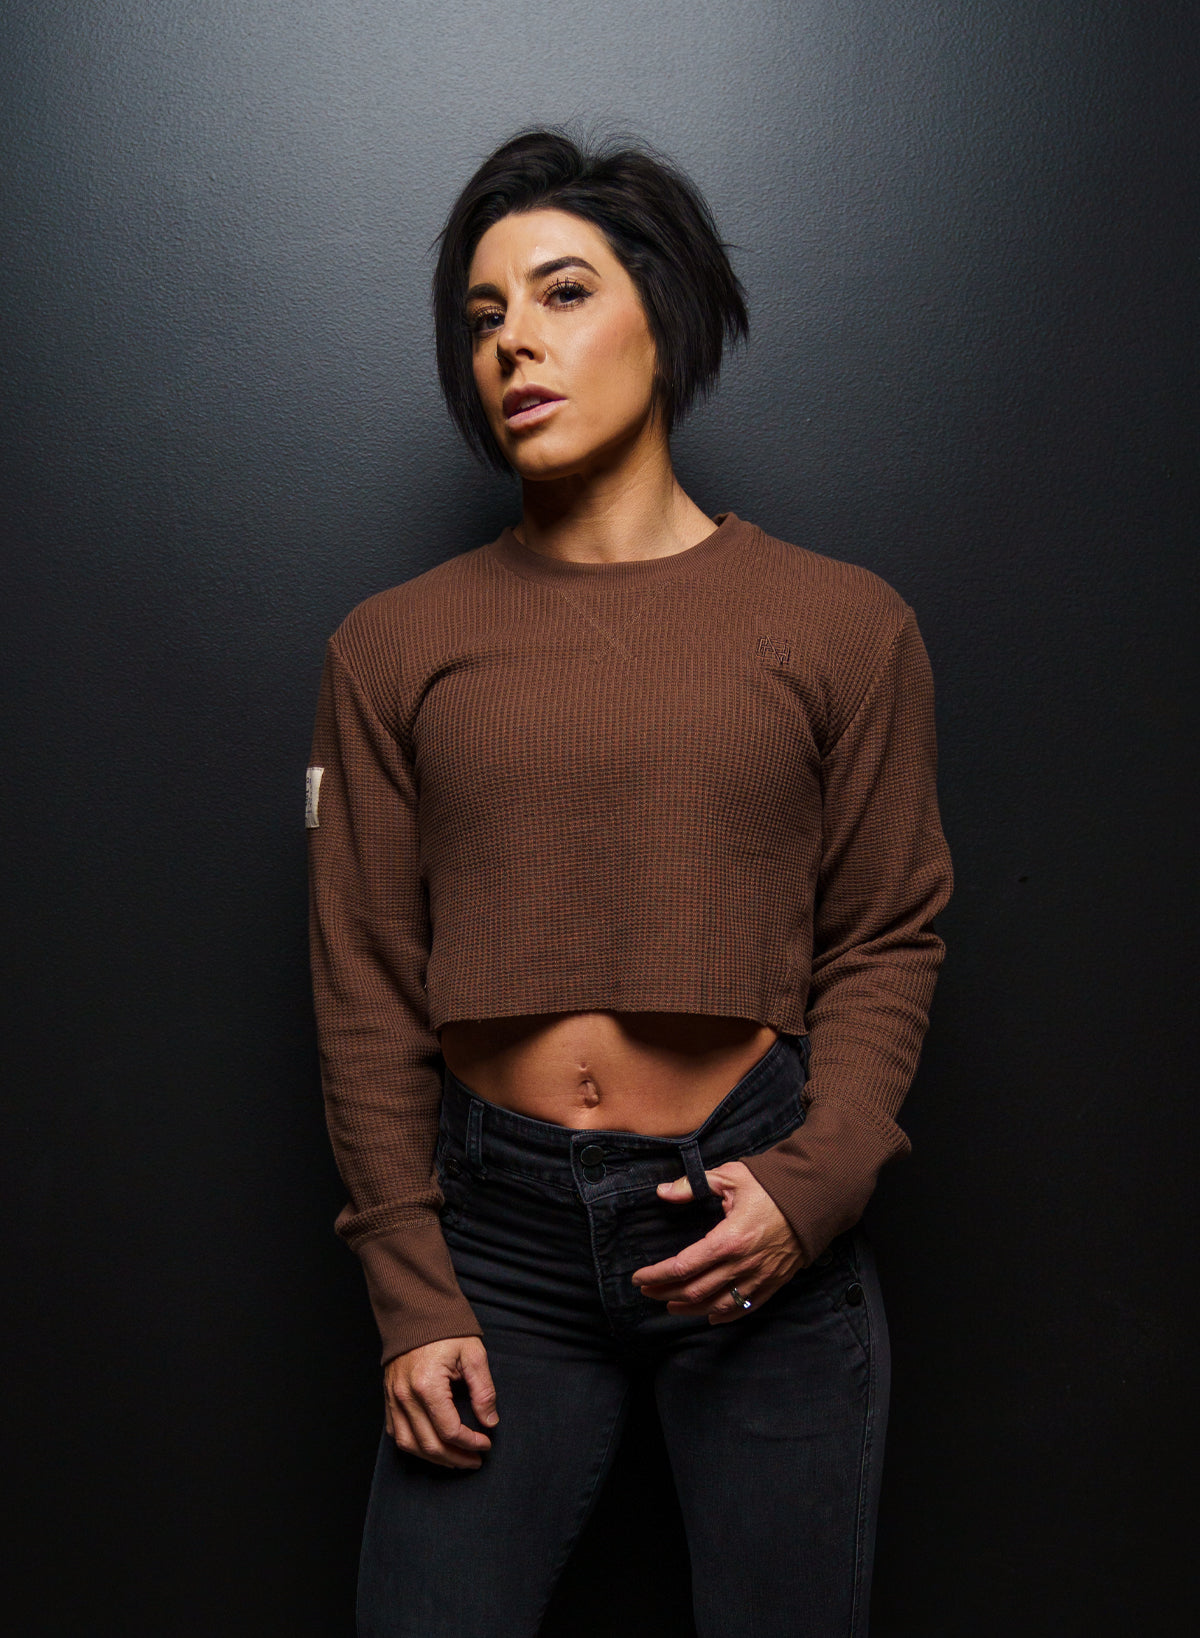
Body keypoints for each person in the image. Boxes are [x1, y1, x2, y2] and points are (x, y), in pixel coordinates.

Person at [306, 128, 953, 1638]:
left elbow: (886, 931)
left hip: (755, 1224)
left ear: (664, 318)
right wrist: (410, 1284)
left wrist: (813, 1185)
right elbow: (363, 980)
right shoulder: (391, 646)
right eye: (483, 315)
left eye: (562, 291)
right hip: (496, 1247)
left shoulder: (843, 625)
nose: (512, 342)